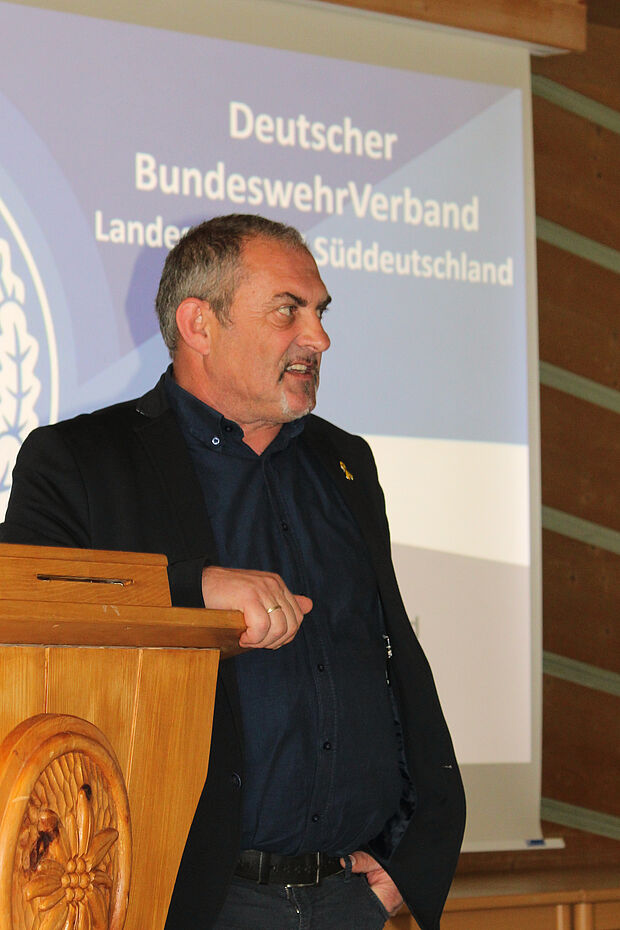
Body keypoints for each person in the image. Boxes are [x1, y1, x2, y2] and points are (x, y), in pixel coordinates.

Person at [1, 214, 465, 930]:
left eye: (319, 313)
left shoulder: (346, 464)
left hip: (352, 896)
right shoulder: (82, 462)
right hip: (190, 901)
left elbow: (387, 654)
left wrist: (410, 856)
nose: (319, 338)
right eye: (289, 311)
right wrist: (190, 589)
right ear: (199, 322)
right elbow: (23, 615)